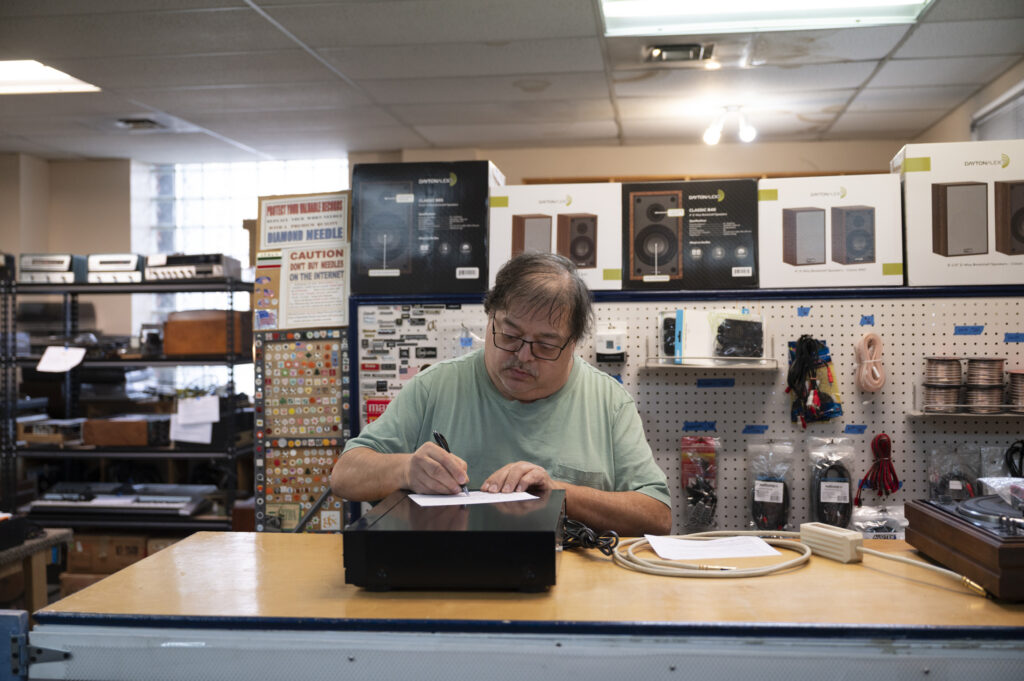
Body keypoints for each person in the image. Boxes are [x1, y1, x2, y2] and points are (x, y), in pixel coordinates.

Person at [331, 253, 671, 536]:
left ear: (573, 344)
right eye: (509, 335)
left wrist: (559, 495)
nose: (523, 356)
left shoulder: (608, 402)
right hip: (448, 588)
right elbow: (345, 475)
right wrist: (406, 470)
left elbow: (657, 517)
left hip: (575, 594)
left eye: (546, 344)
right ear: (489, 318)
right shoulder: (435, 386)